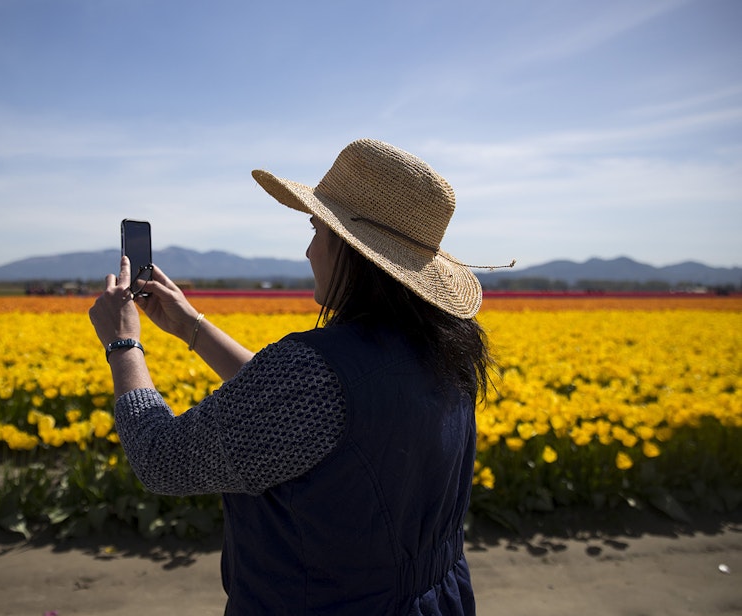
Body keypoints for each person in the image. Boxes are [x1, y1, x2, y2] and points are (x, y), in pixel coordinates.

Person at [89, 138, 501, 615]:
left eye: (315, 230)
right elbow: (317, 421)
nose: (308, 251)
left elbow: (161, 460)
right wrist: (189, 326)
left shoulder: (313, 375)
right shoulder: (445, 352)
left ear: (353, 251)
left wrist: (123, 345)